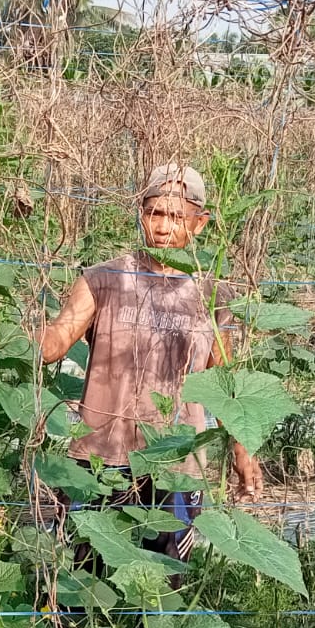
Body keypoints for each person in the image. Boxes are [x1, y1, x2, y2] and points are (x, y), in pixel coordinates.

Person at [38, 164, 262, 572]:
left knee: (162, 587)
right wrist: (20, 331)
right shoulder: (103, 279)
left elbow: (226, 383)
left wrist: (241, 448)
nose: (162, 227)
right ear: (141, 214)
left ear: (200, 223)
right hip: (100, 457)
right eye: (154, 213)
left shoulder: (210, 294)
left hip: (175, 464)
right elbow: (54, 343)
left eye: (176, 216)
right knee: (86, 581)